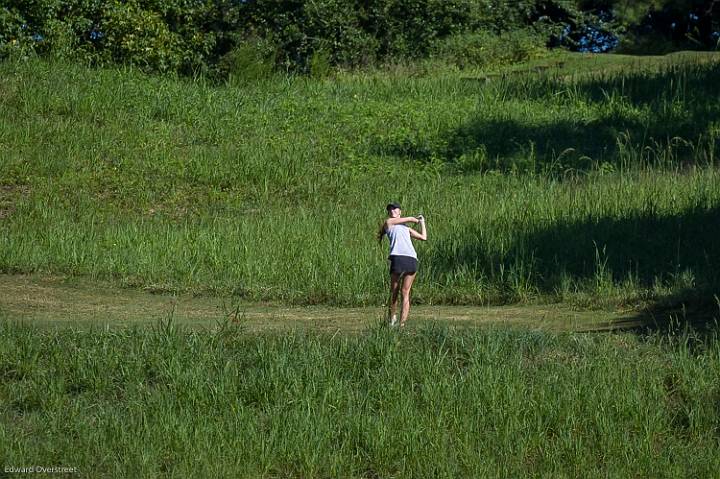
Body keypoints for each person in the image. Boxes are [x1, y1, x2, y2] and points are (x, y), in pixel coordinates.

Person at [377, 202, 427, 327]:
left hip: (411, 259)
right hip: (397, 257)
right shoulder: (389, 223)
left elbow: (424, 237)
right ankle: (392, 320)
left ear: (400, 211)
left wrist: (422, 222)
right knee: (394, 291)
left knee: (405, 293)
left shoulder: (406, 228)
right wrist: (413, 219)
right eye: (390, 209)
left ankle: (402, 325)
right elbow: (410, 219)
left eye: (395, 208)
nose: (392, 210)